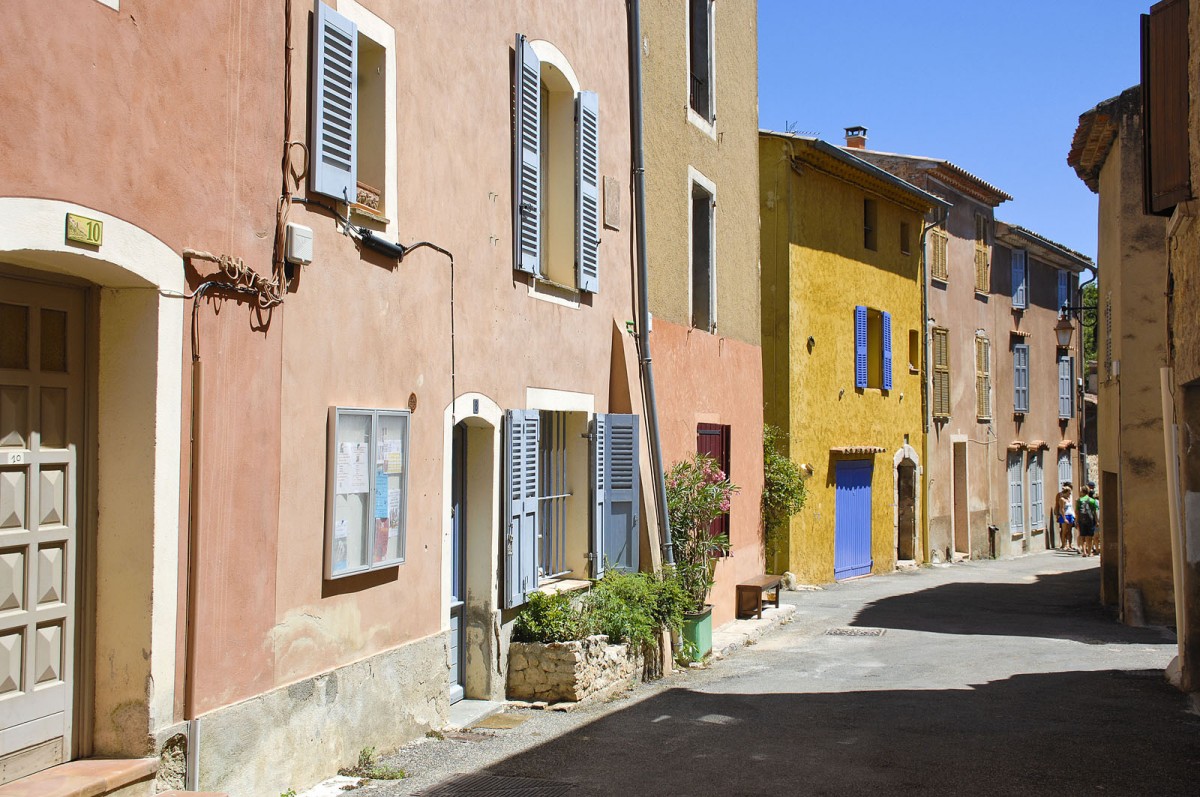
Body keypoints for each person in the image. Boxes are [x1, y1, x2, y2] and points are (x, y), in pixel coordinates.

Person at [1077, 485, 1100, 556]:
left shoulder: (1079, 500)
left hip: (1081, 520)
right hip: (1090, 520)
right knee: (1089, 536)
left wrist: (1077, 521)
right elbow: (1095, 512)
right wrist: (1097, 521)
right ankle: (1089, 552)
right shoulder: (1092, 501)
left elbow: (1077, 511)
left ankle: (1084, 552)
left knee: (1083, 536)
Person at [1055, 483, 1075, 551]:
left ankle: (1070, 544)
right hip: (1064, 516)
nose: (1070, 494)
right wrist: (1063, 518)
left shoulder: (1069, 498)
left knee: (1069, 531)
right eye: (1069, 492)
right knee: (1064, 531)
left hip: (1070, 515)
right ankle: (1064, 544)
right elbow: (1061, 509)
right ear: (1066, 492)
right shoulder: (1061, 499)